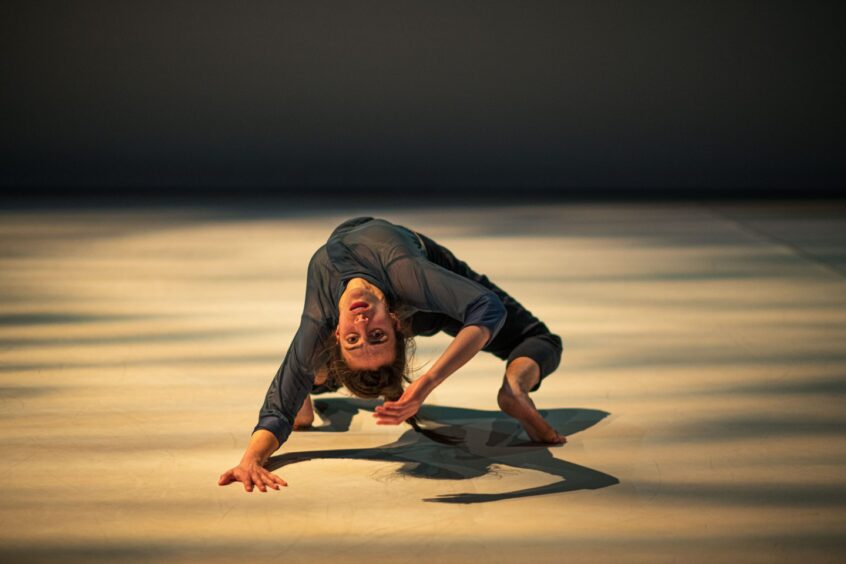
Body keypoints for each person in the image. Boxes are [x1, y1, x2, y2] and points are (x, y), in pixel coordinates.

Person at [218, 216, 565, 492]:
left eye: (355, 338)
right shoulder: (344, 314)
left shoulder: (393, 279)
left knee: (306, 369)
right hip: (420, 300)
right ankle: (516, 390)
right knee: (539, 340)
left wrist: (427, 383)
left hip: (432, 292)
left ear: (399, 324)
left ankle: (314, 381)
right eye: (375, 336)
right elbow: (276, 411)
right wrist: (251, 461)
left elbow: (486, 309)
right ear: (396, 327)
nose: (362, 321)